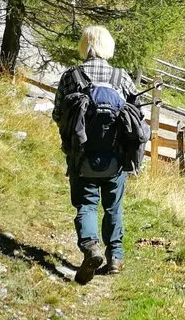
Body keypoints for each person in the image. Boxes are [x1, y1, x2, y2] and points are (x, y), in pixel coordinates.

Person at [52, 26, 148, 286]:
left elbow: (58, 114)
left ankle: (90, 248)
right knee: (113, 206)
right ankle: (115, 257)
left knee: (86, 204)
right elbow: (138, 117)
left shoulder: (72, 76)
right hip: (116, 160)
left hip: (81, 157)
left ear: (85, 46)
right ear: (108, 46)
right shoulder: (121, 77)